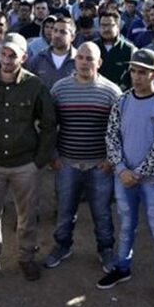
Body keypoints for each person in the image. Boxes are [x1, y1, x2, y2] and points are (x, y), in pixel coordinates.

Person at [0, 33, 57, 285]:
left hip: (24, 164)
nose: (6, 59)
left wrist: (38, 161)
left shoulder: (35, 86)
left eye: (12, 55)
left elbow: (49, 125)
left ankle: (26, 257)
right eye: (3, 53)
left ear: (24, 58)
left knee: (27, 216)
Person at [98, 49, 154, 307]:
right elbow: (112, 136)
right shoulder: (122, 101)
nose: (136, 77)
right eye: (133, 71)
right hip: (124, 178)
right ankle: (122, 267)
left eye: (142, 72)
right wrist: (121, 168)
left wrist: (138, 173)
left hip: (153, 182)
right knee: (126, 225)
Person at [44, 41, 122, 272]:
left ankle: (106, 250)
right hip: (67, 163)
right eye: (80, 57)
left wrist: (110, 160)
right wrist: (53, 155)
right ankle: (62, 245)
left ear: (99, 63)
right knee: (65, 210)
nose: (84, 62)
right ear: (74, 60)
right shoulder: (60, 89)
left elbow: (119, 131)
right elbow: (49, 125)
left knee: (102, 213)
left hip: (99, 165)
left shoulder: (111, 92)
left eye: (90, 59)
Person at [25, 15, 77, 89]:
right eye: (55, 30)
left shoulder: (79, 59)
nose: (57, 35)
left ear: (72, 37)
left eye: (63, 32)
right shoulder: (39, 59)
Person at [94, 11, 137, 89]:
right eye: (103, 25)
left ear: (118, 26)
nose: (106, 29)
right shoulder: (92, 47)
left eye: (109, 25)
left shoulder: (129, 50)